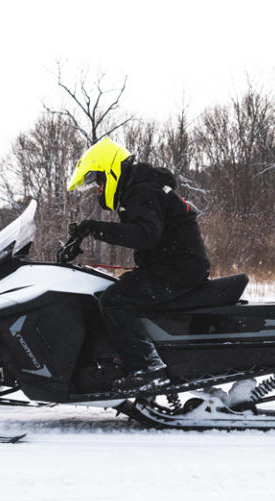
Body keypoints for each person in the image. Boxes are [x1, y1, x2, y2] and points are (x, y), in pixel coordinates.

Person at [67, 137, 210, 393]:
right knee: (118, 291)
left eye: (99, 181)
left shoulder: (141, 190)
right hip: (175, 266)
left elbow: (145, 235)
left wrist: (93, 228)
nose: (99, 189)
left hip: (177, 270)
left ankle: (150, 369)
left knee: (113, 300)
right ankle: (124, 359)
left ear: (110, 170)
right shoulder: (143, 186)